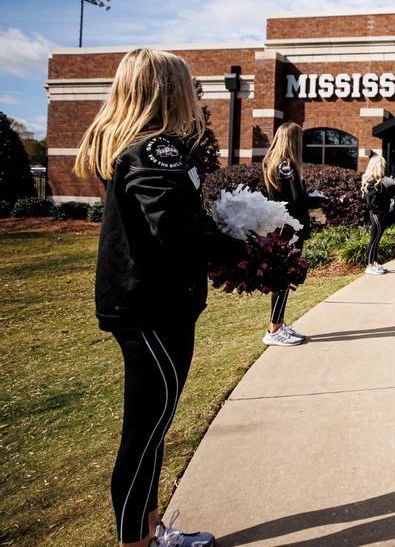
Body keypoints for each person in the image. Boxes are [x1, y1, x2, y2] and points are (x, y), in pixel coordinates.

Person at [73, 48, 245, 547]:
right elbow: (176, 229)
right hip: (151, 309)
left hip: (147, 306)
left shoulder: (136, 146)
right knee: (144, 436)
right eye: (188, 84)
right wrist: (245, 250)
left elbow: (173, 220)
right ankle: (136, 542)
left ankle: (150, 532)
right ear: (169, 89)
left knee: (152, 430)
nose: (194, 94)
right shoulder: (156, 149)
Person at [262, 121, 320, 347]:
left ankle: (278, 323)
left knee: (282, 278)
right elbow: (297, 200)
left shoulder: (272, 163)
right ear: (293, 140)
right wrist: (319, 199)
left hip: (281, 227)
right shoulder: (286, 166)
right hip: (290, 229)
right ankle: (274, 328)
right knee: (284, 278)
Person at [361, 154, 391, 275]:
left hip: (381, 214)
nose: (384, 168)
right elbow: (372, 203)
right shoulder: (372, 182)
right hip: (376, 215)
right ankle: (369, 265)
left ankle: (375, 262)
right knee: (373, 240)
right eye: (382, 166)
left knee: (377, 240)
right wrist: (380, 212)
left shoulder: (379, 182)